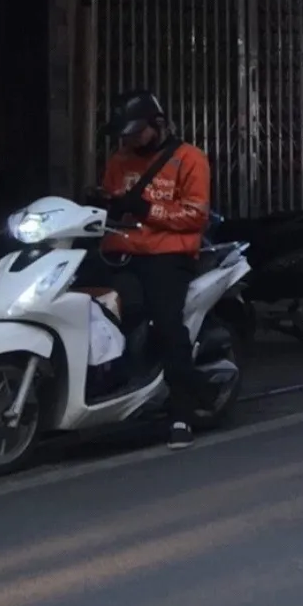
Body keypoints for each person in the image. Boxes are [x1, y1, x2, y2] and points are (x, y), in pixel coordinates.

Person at [97, 90, 213, 449]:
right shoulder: (119, 159)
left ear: (158, 125)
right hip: (120, 251)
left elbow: (195, 215)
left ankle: (182, 411)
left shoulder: (189, 158)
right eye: (125, 135)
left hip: (167, 255)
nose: (130, 140)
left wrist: (147, 210)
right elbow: (112, 200)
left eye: (136, 132)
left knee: (166, 322)